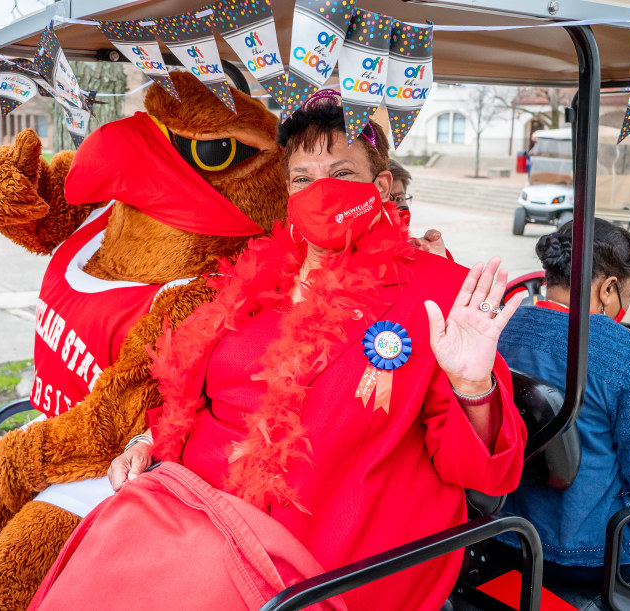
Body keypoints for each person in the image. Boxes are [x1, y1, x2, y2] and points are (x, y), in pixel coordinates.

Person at [32, 92, 527, 610]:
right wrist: (149, 441)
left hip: (324, 569)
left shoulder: (441, 296)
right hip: (194, 520)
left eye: (341, 174)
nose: (321, 191)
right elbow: (195, 400)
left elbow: (483, 475)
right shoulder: (252, 277)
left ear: (381, 187)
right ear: (287, 192)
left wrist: (474, 388)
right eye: (304, 179)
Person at [496, 218, 630, 583]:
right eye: (627, 296)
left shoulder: (503, 326)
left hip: (508, 534)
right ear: (609, 289)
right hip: (598, 555)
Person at [388, 158, 449, 257]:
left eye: (399, 199)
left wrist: (438, 262)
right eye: (385, 202)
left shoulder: (423, 248)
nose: (395, 211)